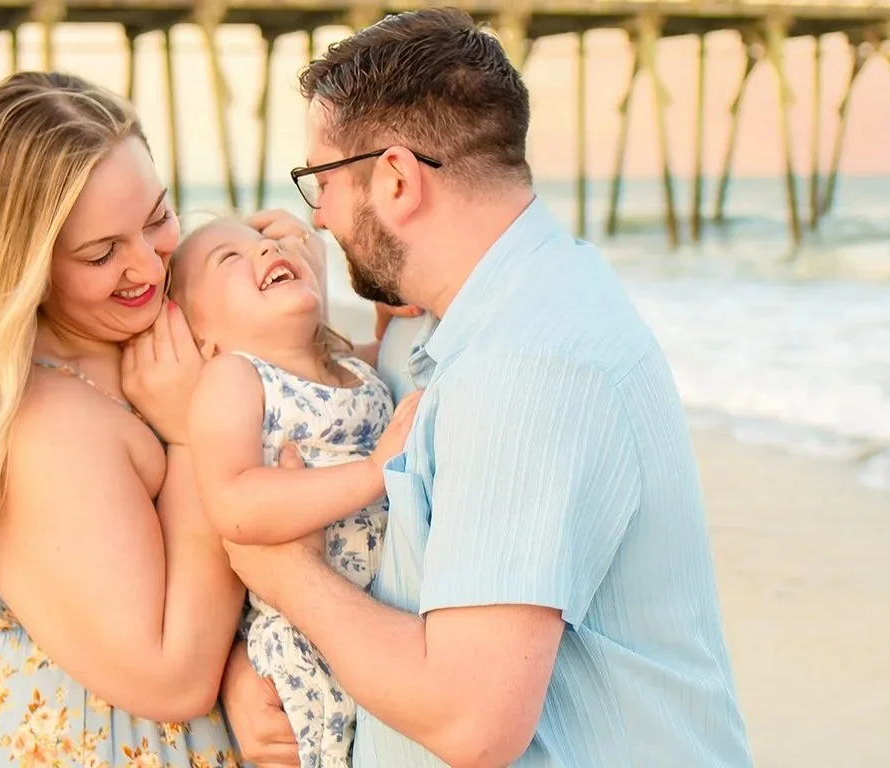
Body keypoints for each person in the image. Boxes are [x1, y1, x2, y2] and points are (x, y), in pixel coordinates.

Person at [216, 8, 755, 767]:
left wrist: (288, 577)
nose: (322, 217)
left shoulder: (526, 367)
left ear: (396, 179)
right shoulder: (460, 310)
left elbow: (471, 719)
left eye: (322, 182)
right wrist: (247, 669)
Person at [0, 71, 248, 767]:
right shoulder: (47, 427)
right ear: (23, 266)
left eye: (157, 218)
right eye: (101, 253)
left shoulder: (152, 331)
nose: (148, 265)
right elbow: (171, 678)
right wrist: (192, 438)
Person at [167, 215, 420, 768]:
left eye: (265, 242)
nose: (263, 251)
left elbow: (386, 364)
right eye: (229, 258)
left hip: (374, 625)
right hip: (304, 645)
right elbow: (234, 501)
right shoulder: (236, 377)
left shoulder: (350, 365)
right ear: (203, 337)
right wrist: (370, 474)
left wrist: (388, 314)